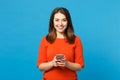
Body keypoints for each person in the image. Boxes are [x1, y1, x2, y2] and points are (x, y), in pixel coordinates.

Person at [37, 7, 84, 80]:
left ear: (68, 22)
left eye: (64, 20)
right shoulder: (45, 40)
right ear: (52, 22)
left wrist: (66, 63)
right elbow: (40, 66)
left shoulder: (76, 40)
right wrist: (53, 63)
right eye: (57, 20)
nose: (60, 24)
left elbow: (79, 66)